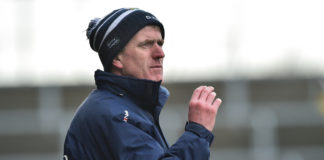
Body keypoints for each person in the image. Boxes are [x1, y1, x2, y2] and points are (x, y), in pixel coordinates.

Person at [63, 8, 222, 160]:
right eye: (146, 44)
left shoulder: (125, 107)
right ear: (117, 58)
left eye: (160, 43)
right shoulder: (114, 114)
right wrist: (197, 133)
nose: (160, 53)